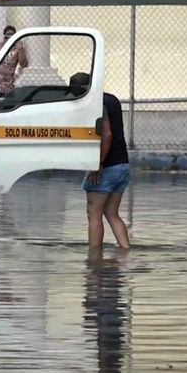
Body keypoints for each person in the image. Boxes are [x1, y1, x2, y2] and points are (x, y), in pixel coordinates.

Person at [69, 72, 131, 250]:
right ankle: (126, 252)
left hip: (107, 167)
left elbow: (107, 134)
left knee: (93, 214)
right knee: (111, 213)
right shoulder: (112, 99)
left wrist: (98, 165)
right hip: (122, 165)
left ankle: (94, 259)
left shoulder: (97, 103)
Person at [0, 25, 28, 96]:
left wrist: (21, 48)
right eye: (7, 35)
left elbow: (23, 64)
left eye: (12, 35)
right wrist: (3, 48)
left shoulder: (17, 49)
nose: (9, 37)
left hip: (7, 86)